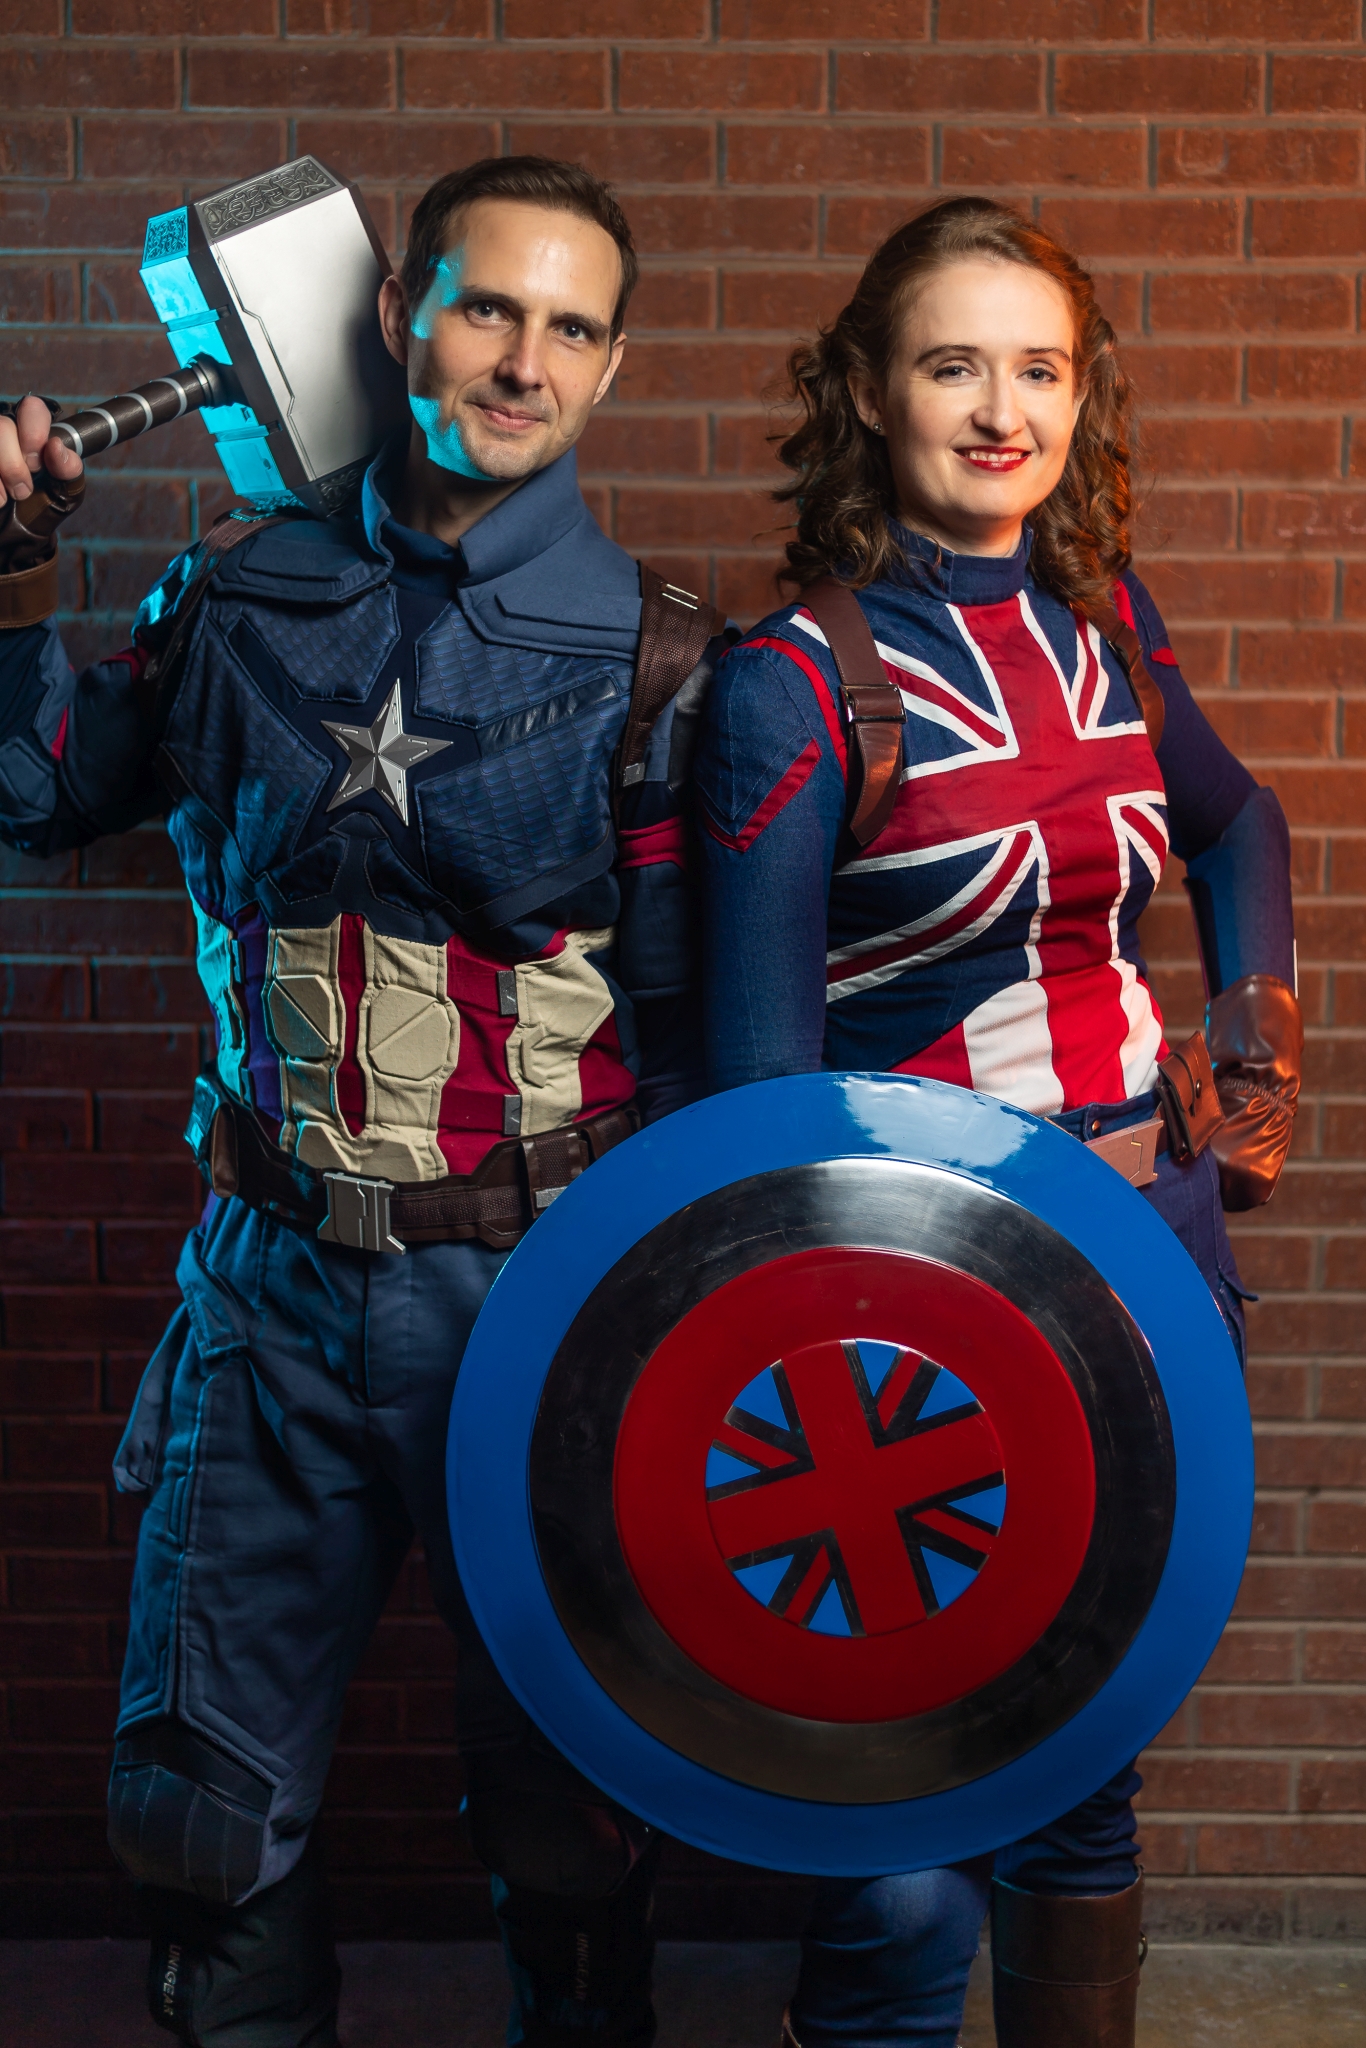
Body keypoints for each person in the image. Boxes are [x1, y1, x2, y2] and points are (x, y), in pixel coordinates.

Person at [0, 156, 728, 2048]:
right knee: (196, 1816)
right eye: (486, 307)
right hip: (270, 1288)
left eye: (570, 328)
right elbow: (35, 798)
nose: (522, 363)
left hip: (543, 1299)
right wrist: (10, 567)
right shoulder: (235, 595)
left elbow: (712, 1058)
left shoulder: (664, 659)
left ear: (612, 367)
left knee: (578, 1810)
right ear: (400, 313)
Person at [694, 197, 1302, 2048]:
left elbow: (1239, 822)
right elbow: (757, 1108)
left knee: (1086, 1750)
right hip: (917, 1302)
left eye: (1037, 368)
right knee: (904, 1794)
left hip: (1155, 1251)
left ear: (1079, 395)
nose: (999, 410)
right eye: (951, 365)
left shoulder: (1110, 620)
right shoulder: (794, 682)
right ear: (869, 395)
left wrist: (1254, 1040)